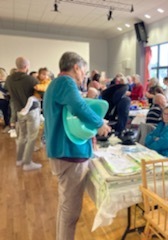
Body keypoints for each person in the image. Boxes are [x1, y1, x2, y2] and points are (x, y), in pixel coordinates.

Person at [43, 52, 111, 240]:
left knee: (65, 208)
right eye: (84, 71)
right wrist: (100, 124)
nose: (84, 75)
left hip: (61, 152)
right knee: (70, 213)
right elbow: (79, 107)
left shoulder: (55, 84)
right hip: (69, 153)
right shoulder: (65, 83)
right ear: (76, 68)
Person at [5, 57, 41, 170]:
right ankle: (27, 163)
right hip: (32, 111)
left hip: (19, 111)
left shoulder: (9, 79)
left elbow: (7, 91)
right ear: (26, 67)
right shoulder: (31, 80)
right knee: (31, 137)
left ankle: (19, 160)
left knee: (22, 136)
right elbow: (40, 93)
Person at [0, 68, 10, 133]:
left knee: (6, 113)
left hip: (4, 100)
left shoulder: (6, 83)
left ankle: (7, 125)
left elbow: (7, 92)